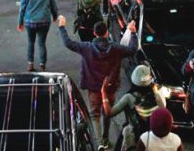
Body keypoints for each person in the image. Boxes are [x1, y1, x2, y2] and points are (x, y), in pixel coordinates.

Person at [57, 17, 138, 151]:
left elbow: (68, 43)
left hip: (93, 88)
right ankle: (106, 139)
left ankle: (99, 142)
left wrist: (62, 27)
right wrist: (133, 32)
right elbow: (132, 49)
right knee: (108, 112)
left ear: (94, 33)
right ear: (106, 33)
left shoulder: (86, 48)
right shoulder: (116, 49)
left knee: (94, 115)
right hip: (110, 87)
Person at [103, 65, 166, 151]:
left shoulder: (129, 97)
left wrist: (103, 92)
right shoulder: (156, 95)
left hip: (133, 138)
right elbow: (163, 108)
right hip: (152, 137)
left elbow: (109, 113)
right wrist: (156, 91)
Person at [18, 0, 58, 72]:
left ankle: (30, 64)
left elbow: (22, 9)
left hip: (29, 21)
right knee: (42, 43)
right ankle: (42, 65)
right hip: (44, 21)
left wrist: (20, 23)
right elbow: (54, 6)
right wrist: (54, 16)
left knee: (31, 42)